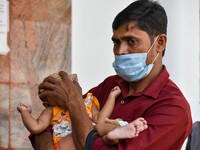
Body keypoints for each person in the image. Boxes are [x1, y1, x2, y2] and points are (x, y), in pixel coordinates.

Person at [33, 0, 192, 149]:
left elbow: (76, 112)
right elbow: (47, 126)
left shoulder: (174, 109)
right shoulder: (111, 85)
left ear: (160, 43)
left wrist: (73, 101)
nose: (121, 51)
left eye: (131, 41)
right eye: (116, 42)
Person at [18, 75, 148, 150]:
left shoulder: (88, 102)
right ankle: (112, 134)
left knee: (99, 127)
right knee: (91, 131)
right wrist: (25, 112)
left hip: (90, 135)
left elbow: (99, 119)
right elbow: (36, 127)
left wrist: (111, 97)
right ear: (47, 102)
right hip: (65, 143)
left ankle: (115, 134)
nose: (66, 90)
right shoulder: (52, 110)